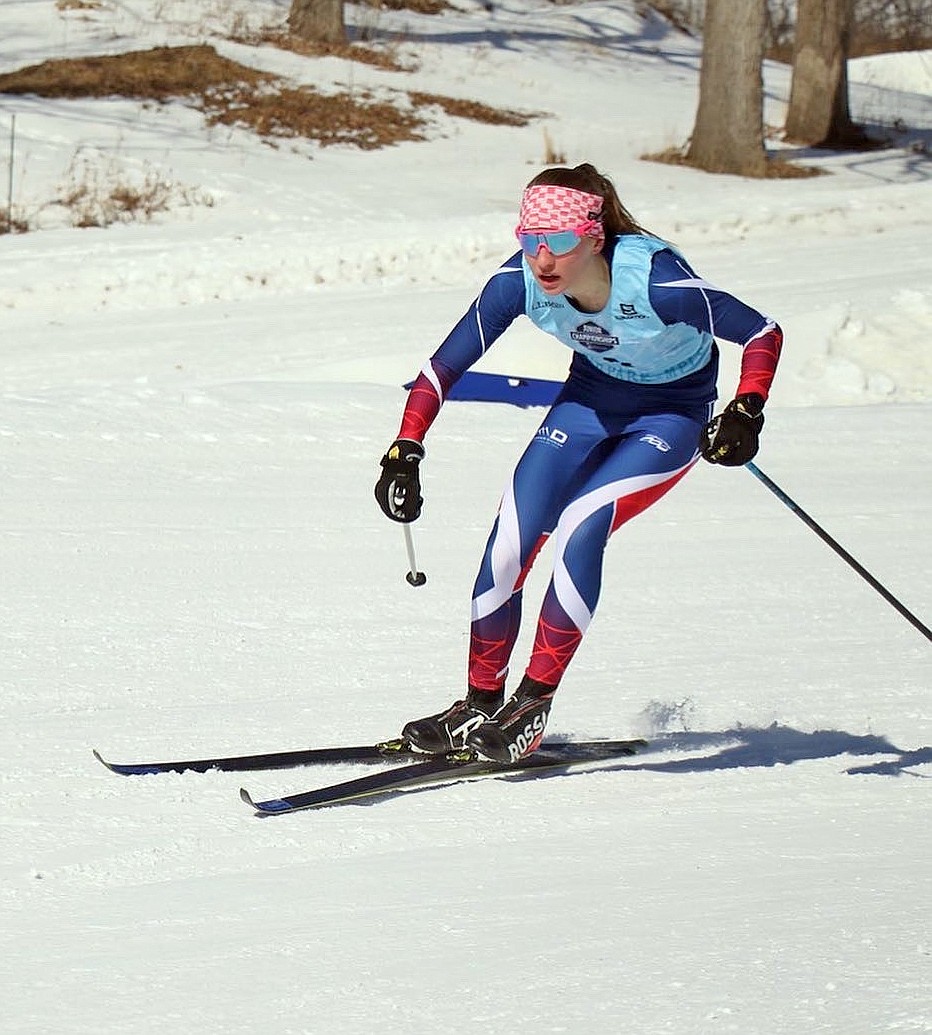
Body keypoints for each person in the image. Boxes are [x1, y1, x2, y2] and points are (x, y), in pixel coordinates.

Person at [374, 163, 782, 763]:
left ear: (594, 237)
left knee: (581, 524)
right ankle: (482, 703)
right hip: (587, 403)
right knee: (509, 543)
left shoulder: (658, 284)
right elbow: (441, 368)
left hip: (670, 417)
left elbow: (763, 332)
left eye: (558, 242)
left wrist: (746, 410)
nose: (543, 259)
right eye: (530, 240)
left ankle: (532, 705)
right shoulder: (518, 282)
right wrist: (405, 448)